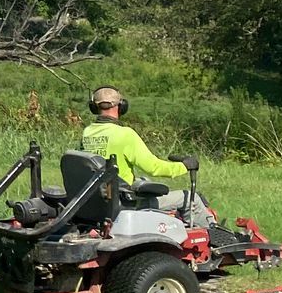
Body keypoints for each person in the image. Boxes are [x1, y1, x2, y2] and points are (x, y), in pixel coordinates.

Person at [82, 86, 213, 226]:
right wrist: (184, 166)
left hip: (99, 198)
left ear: (93, 107)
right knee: (189, 198)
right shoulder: (125, 134)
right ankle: (216, 237)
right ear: (121, 106)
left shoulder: (87, 132)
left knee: (144, 180)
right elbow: (154, 167)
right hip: (124, 203)